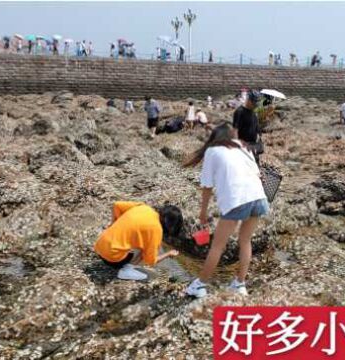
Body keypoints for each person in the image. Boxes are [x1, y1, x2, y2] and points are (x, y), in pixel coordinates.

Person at [183, 123, 269, 298]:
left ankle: (200, 285)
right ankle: (239, 284)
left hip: (237, 201)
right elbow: (258, 174)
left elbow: (207, 186)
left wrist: (203, 213)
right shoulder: (243, 147)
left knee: (217, 247)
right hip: (259, 198)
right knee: (245, 241)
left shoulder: (212, 151)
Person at [94, 201, 183, 281]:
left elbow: (116, 205)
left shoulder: (144, 207)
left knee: (137, 238)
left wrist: (113, 223)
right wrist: (168, 254)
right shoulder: (156, 230)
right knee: (145, 248)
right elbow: (150, 261)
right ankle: (126, 271)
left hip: (99, 246)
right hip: (112, 259)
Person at [232, 90, 262, 163]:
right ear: (248, 100)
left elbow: (256, 128)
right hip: (243, 146)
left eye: (256, 104)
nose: (255, 106)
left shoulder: (254, 113)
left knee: (254, 167)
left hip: (253, 146)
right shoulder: (239, 112)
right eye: (254, 103)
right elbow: (235, 130)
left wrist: (258, 137)